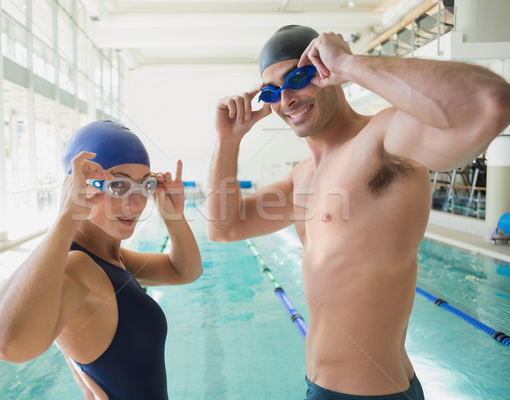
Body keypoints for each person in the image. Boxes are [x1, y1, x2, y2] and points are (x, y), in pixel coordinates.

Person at [207, 25, 510, 400]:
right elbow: (224, 227)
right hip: (322, 387)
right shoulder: (301, 178)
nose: (286, 98)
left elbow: (488, 103)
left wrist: (351, 63)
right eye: (272, 91)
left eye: (298, 78)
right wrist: (228, 140)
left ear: (325, 71)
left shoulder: (381, 141)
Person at [0, 120, 203, 400]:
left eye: (144, 185)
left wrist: (173, 216)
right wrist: (67, 217)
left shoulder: (110, 260)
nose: (137, 203)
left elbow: (184, 270)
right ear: (81, 187)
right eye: (119, 185)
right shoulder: (79, 267)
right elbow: (5, 345)